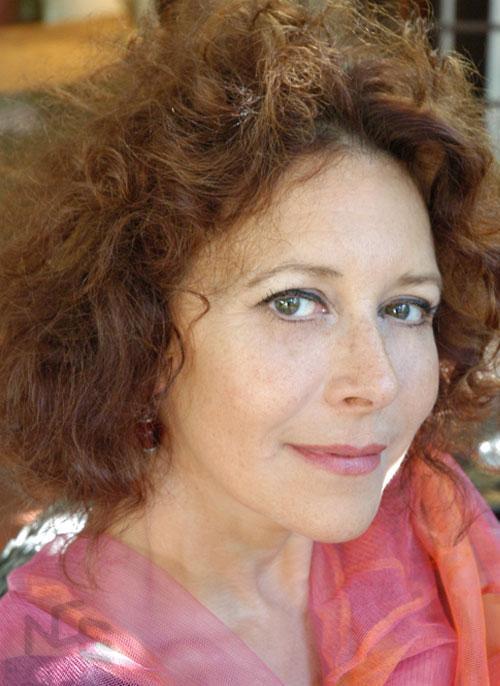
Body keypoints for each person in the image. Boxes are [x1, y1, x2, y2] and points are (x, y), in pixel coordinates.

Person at [0, 1, 499, 684]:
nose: (378, 381)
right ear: (140, 334)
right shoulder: (50, 666)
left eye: (405, 308)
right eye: (294, 302)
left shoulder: (438, 531)